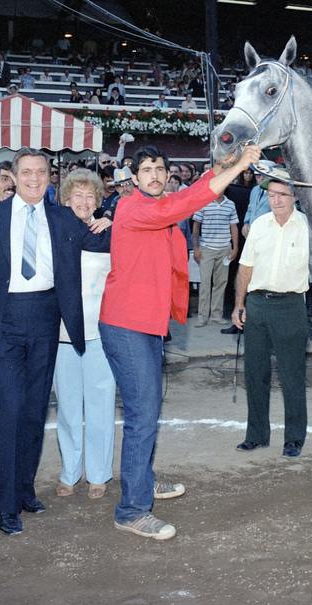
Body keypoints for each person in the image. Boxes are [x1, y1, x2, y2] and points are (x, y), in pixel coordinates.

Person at [99, 143, 260, 540]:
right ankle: (132, 509)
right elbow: (187, 203)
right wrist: (238, 165)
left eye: (160, 168)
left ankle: (141, 481)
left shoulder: (159, 202)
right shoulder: (134, 207)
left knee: (145, 412)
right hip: (127, 324)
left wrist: (219, 166)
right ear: (133, 178)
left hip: (147, 324)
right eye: (146, 170)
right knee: (142, 416)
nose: (154, 175)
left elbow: (192, 195)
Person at [0, 148, 111, 536]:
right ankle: (5, 506)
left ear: (51, 178)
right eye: (26, 171)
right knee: (12, 409)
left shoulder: (64, 217)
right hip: (4, 321)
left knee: (35, 410)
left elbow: (100, 247)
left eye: (41, 172)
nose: (34, 178)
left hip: (47, 318)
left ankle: (25, 490)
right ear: (13, 176)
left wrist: (109, 225)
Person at [231, 174, 310, 458]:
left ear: (295, 197)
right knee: (255, 374)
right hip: (257, 305)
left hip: (291, 307)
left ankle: (294, 439)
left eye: (282, 195)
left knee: (292, 376)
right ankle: (256, 435)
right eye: (272, 195)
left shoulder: (307, 228)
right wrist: (239, 304)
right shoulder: (260, 226)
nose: (275, 200)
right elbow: (245, 268)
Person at [53, 169, 115, 500]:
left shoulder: (108, 234)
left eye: (90, 195)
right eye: (77, 195)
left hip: (99, 334)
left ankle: (99, 474)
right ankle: (69, 472)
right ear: (65, 199)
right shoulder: (54, 232)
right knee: (68, 408)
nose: (83, 201)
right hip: (63, 335)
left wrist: (114, 222)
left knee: (101, 405)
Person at [191, 190, 239, 326]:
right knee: (205, 283)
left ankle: (216, 315)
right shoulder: (203, 202)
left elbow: (234, 226)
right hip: (206, 249)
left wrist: (235, 248)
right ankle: (202, 317)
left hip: (224, 249)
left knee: (221, 283)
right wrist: (196, 248)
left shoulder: (230, 204)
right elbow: (196, 226)